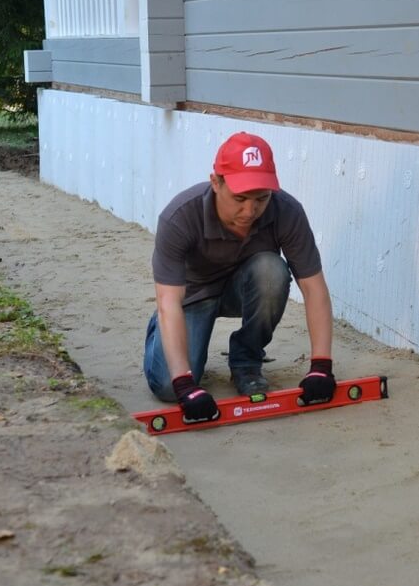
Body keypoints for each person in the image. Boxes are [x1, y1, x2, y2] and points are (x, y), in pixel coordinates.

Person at [143, 131, 337, 423]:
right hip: (193, 296)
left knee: (272, 270)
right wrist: (185, 384)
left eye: (261, 198)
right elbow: (169, 300)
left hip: (244, 287)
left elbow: (314, 288)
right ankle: (160, 332)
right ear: (216, 182)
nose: (250, 210)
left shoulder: (287, 211)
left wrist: (321, 366)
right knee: (169, 387)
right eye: (240, 198)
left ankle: (246, 361)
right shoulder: (180, 216)